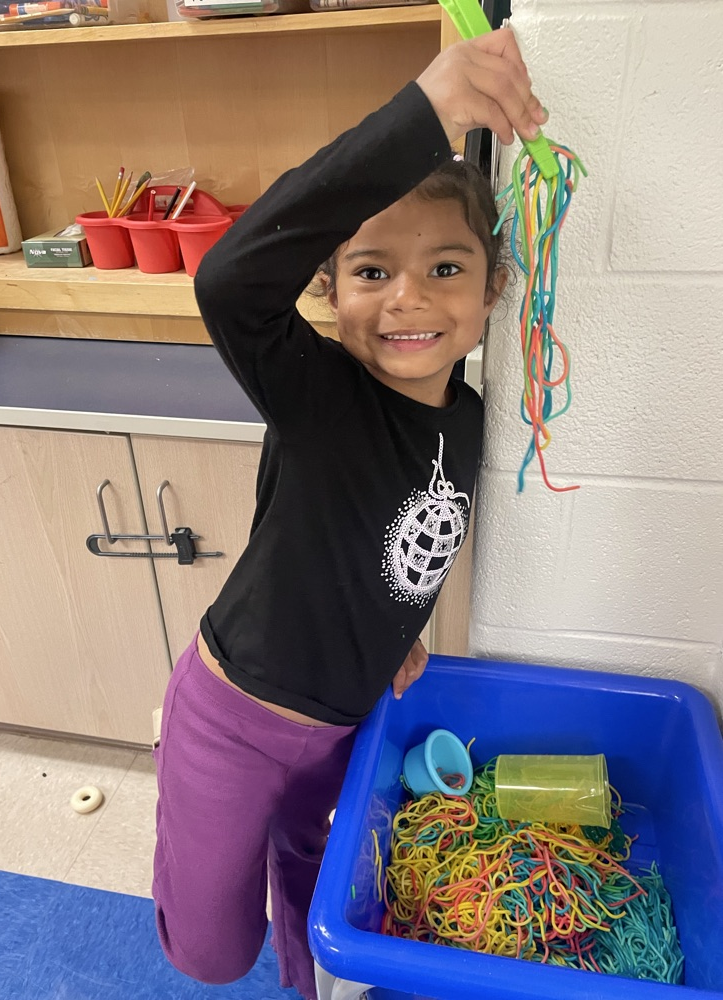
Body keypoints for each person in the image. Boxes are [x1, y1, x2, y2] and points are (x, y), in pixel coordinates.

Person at [152, 27, 547, 1000]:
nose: (408, 297)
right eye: (371, 271)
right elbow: (228, 280)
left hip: (346, 720)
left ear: (494, 289)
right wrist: (425, 114)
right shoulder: (319, 391)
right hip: (234, 716)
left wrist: (392, 629)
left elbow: (402, 532)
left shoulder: (469, 417)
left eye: (446, 269)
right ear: (328, 292)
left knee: (318, 897)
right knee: (210, 954)